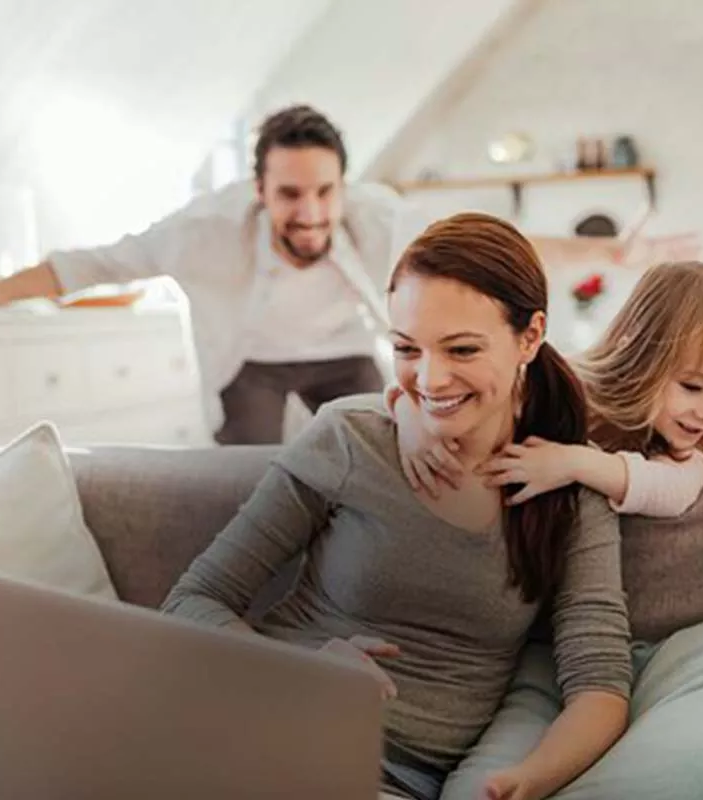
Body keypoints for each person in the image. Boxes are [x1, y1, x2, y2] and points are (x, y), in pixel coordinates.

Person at [161, 212, 631, 800]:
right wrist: (300, 670)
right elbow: (194, 600)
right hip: (257, 724)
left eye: (461, 349)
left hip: (387, 777)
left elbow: (601, 685)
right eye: (406, 348)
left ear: (530, 338)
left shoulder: (571, 488)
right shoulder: (352, 438)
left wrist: (529, 779)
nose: (430, 381)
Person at [0, 104, 692, 445]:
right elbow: (82, 266)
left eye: (325, 192)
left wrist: (608, 255)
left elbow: (491, 240)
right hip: (251, 360)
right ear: (259, 191)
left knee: (385, 444)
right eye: (291, 195)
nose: (311, 212)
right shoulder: (200, 232)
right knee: (253, 470)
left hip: (343, 351)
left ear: (342, 186)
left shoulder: (378, 217)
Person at [386, 261, 703, 518]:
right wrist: (413, 423)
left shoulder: (690, 447)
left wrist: (571, 463)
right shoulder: (566, 383)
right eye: (692, 387)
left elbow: (676, 491)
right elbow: (427, 389)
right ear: (637, 353)